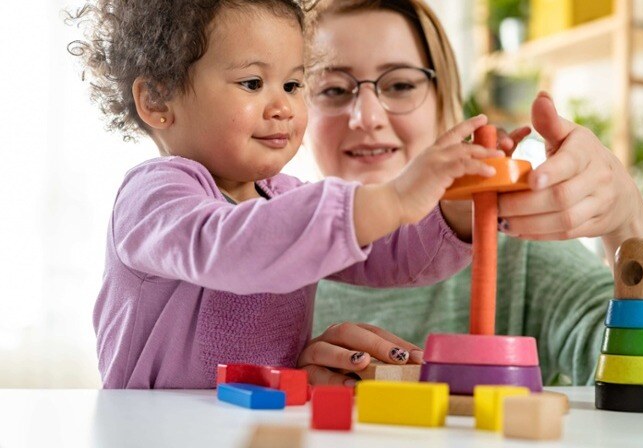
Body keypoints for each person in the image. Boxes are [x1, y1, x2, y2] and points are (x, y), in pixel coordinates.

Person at [299, 0, 643, 401]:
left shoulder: (518, 251)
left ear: (443, 104)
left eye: (398, 85)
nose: (368, 117)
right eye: (334, 89)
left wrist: (627, 222)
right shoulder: (254, 254)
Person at [70, 0, 504, 388]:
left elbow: (385, 251)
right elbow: (231, 246)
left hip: (263, 419)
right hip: (156, 429)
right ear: (158, 100)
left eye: (294, 86)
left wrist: (454, 214)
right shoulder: (153, 196)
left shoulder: (284, 198)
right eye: (253, 83)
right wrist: (390, 199)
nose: (283, 107)